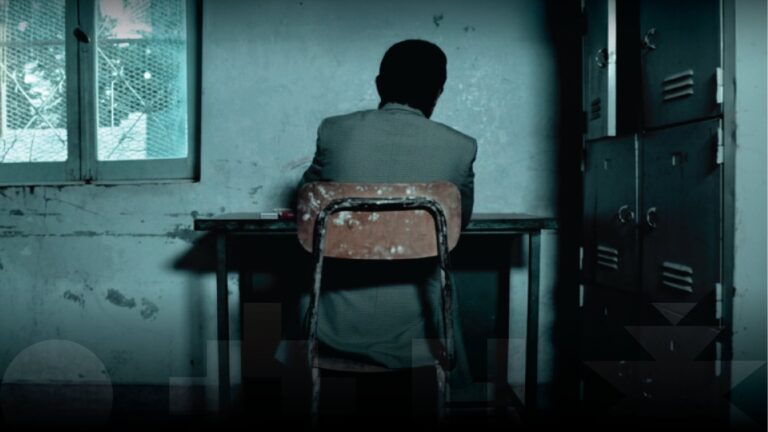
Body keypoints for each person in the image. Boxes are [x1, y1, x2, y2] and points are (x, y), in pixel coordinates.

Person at [281, 39, 478, 421]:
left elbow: (307, 205)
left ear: (379, 84)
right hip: (420, 326)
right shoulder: (460, 146)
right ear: (438, 91)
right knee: (440, 276)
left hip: (332, 319)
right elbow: (458, 224)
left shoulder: (334, 132)